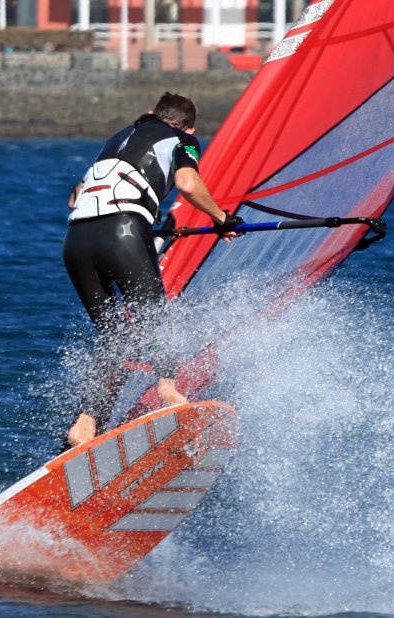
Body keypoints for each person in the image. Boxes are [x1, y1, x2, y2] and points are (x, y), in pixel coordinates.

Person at [63, 92, 239, 446]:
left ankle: (84, 426)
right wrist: (221, 219)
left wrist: (150, 215)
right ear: (189, 125)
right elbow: (188, 184)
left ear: (150, 114)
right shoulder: (183, 139)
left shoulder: (117, 138)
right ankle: (168, 390)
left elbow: (76, 197)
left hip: (76, 241)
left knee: (115, 337)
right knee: (155, 317)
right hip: (123, 233)